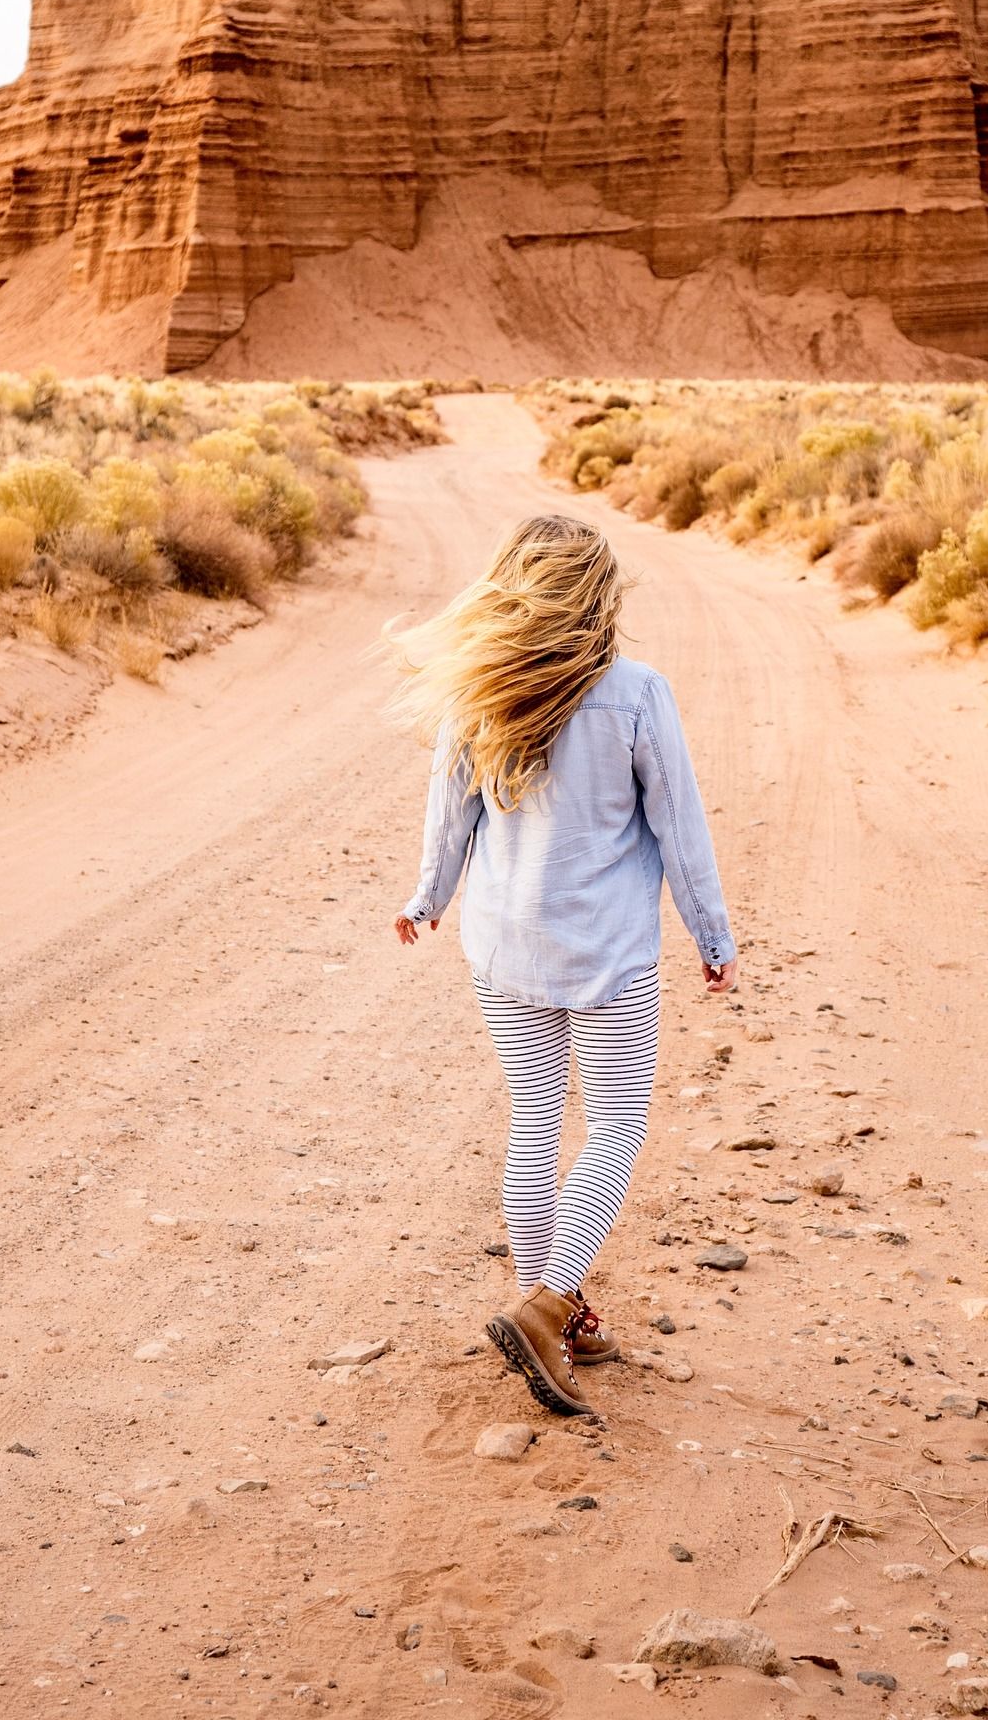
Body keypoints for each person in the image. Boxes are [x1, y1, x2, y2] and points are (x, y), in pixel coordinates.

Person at [389, 512, 739, 1417]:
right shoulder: (636, 693)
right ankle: (546, 1309)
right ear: (597, 596)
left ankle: (557, 1313)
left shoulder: (480, 689)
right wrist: (712, 935)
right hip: (606, 953)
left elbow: (449, 816)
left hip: (503, 947)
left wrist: (427, 898)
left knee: (536, 1120)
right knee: (615, 1127)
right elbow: (678, 825)